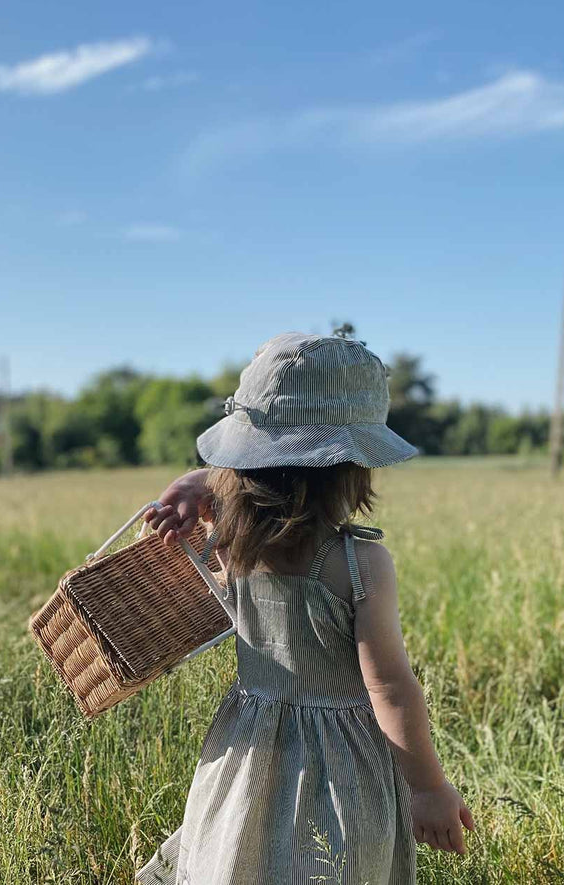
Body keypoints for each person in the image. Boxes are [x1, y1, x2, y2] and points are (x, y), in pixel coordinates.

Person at [136, 332, 475, 885]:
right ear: (350, 467)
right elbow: (388, 686)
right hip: (341, 768)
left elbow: (237, 488)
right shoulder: (361, 563)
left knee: (239, 857)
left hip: (247, 751)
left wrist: (204, 482)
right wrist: (428, 787)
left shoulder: (226, 544)